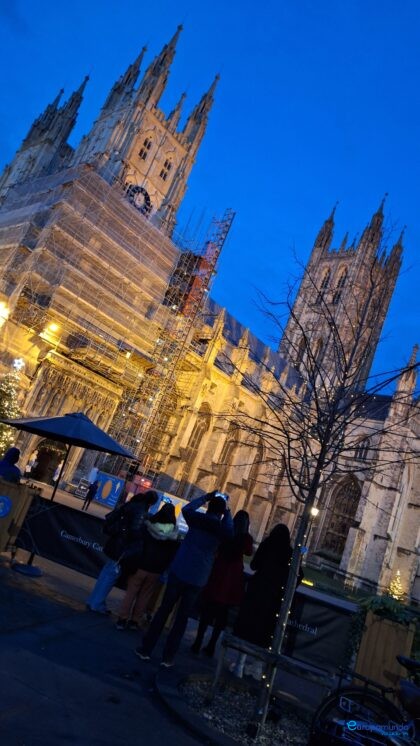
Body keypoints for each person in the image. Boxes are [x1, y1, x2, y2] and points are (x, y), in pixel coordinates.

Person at [136, 491, 234, 667]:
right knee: (182, 618)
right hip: (198, 577)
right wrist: (227, 513)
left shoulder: (196, 519)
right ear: (220, 513)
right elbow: (230, 532)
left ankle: (146, 649)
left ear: (208, 508)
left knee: (163, 611)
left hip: (180, 570)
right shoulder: (220, 529)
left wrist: (205, 497)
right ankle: (168, 657)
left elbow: (187, 508)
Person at [232, 523, 302, 678]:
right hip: (274, 597)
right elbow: (299, 575)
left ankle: (240, 665)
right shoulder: (289, 552)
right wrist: (285, 586)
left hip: (257, 591)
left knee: (247, 628)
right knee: (265, 632)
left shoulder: (266, 545)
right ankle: (257, 668)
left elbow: (254, 565)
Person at [191, 509, 253, 657]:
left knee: (207, 611)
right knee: (222, 615)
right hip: (232, 577)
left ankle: (198, 641)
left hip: (218, 571)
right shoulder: (245, 538)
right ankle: (212, 645)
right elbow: (249, 552)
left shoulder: (227, 532)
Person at [86, 490, 158, 614]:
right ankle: (97, 604)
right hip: (122, 548)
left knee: (105, 573)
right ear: (151, 502)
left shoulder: (131, 504)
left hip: (115, 543)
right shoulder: (140, 510)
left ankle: (93, 600)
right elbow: (135, 531)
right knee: (110, 576)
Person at [115, 503, 180, 630]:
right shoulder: (173, 534)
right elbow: (171, 555)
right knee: (145, 596)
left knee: (131, 593)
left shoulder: (148, 526)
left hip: (140, 565)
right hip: (156, 570)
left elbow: (137, 541)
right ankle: (135, 621)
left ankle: (122, 619)